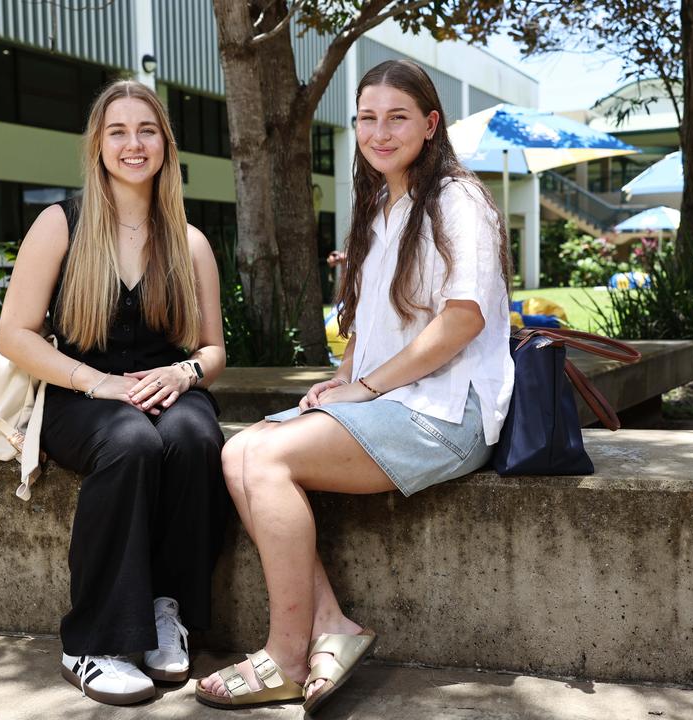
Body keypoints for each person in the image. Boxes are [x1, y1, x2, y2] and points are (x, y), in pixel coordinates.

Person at [195, 59, 515, 713]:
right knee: (236, 452)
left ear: (430, 124)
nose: (379, 131)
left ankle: (285, 656)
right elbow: (378, 335)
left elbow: (463, 318)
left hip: (448, 411)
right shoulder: (381, 210)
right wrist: (341, 382)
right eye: (367, 117)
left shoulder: (458, 201)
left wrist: (364, 387)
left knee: (264, 455)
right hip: (395, 403)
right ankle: (333, 626)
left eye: (397, 117)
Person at [0, 80, 229, 707]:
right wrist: (98, 382)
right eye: (118, 132)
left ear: (165, 145)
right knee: (129, 444)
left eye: (147, 131)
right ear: (98, 145)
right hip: (79, 392)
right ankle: (90, 642)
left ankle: (164, 612)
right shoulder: (59, 225)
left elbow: (213, 351)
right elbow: (14, 335)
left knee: (194, 435)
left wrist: (184, 375)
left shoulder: (190, 241)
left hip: (165, 387)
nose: (134, 144)